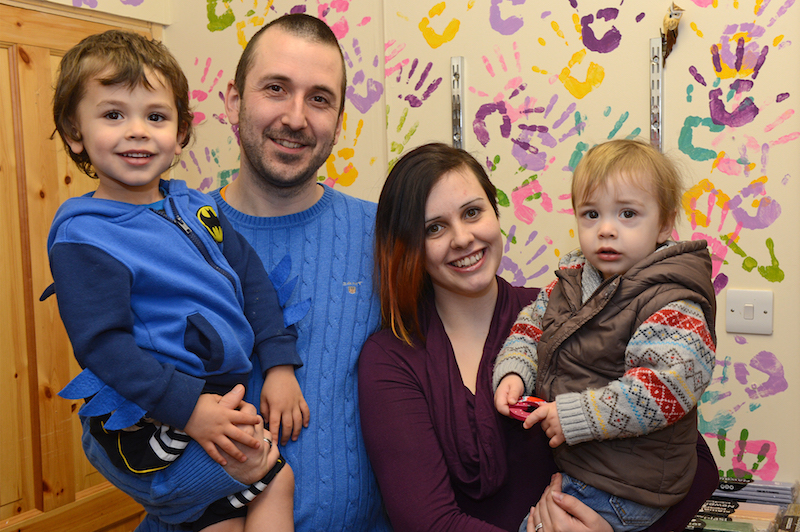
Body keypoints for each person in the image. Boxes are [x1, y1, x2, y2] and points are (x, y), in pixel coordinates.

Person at [358, 142, 719, 532]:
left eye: (472, 212)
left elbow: (694, 465)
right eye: (434, 228)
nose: (462, 238)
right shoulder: (391, 358)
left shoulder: (571, 312)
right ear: (409, 246)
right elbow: (426, 522)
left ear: (494, 215)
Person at [46, 30, 298, 532]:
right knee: (275, 476)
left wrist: (279, 366)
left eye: (155, 116)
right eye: (113, 114)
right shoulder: (85, 235)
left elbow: (253, 282)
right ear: (75, 133)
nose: (137, 131)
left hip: (219, 396)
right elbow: (103, 345)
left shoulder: (198, 208)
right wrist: (188, 411)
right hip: (152, 412)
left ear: (181, 133)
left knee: (224, 519)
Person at [208, 13, 392, 531]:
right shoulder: (175, 238)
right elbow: (109, 411)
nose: (295, 116)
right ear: (233, 101)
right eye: (275, 88)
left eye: (319, 98)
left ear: (339, 120)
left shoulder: (381, 237)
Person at [493, 139, 717, 532]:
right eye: (591, 214)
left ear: (664, 224)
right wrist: (514, 372)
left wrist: (575, 415)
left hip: (631, 487)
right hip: (586, 470)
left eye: (628, 213)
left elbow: (666, 388)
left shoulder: (671, 299)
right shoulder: (573, 280)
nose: (607, 229)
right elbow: (530, 327)